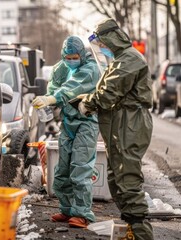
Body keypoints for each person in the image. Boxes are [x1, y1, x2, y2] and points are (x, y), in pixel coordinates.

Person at [79, 18, 154, 240]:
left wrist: (88, 103)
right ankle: (132, 227)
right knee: (117, 177)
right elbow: (107, 89)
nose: (102, 48)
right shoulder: (121, 59)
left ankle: (141, 233)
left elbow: (109, 90)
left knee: (127, 177)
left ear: (112, 39)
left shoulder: (129, 58)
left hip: (129, 123)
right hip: (120, 122)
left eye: (103, 43)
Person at [32, 36, 101, 228]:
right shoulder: (61, 68)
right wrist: (47, 99)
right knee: (62, 169)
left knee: (80, 168)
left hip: (86, 123)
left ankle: (82, 213)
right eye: (67, 57)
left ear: (81, 55)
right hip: (68, 122)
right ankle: (67, 209)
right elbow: (54, 88)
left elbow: (72, 88)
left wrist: (52, 99)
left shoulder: (90, 69)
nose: (71, 60)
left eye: (74, 57)